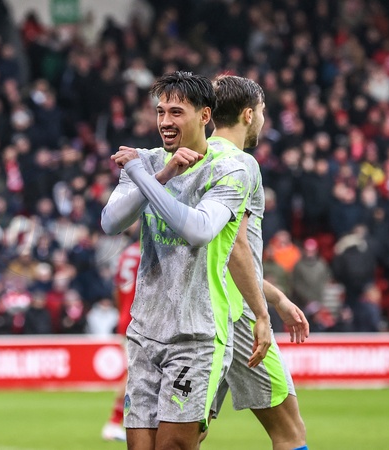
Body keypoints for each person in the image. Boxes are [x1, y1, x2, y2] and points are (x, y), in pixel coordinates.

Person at [101, 71, 271, 449]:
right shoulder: (148, 162)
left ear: (205, 115)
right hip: (145, 330)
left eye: (176, 112)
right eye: (160, 112)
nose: (165, 121)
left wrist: (141, 175)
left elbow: (198, 230)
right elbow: (110, 222)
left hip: (196, 333)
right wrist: (160, 175)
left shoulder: (230, 169)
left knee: (173, 447)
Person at [204, 74, 309, 450]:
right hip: (239, 316)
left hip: (202, 313)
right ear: (249, 114)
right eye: (263, 111)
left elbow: (217, 255)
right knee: (290, 433)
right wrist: (262, 312)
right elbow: (236, 248)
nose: (264, 119)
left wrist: (277, 297)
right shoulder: (242, 163)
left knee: (186, 434)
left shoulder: (194, 158)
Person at [101, 238, 140, 442]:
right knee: (133, 374)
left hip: (126, 318)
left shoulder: (127, 253)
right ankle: (114, 422)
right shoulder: (151, 249)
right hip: (141, 319)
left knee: (135, 373)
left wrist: (122, 313)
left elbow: (117, 290)